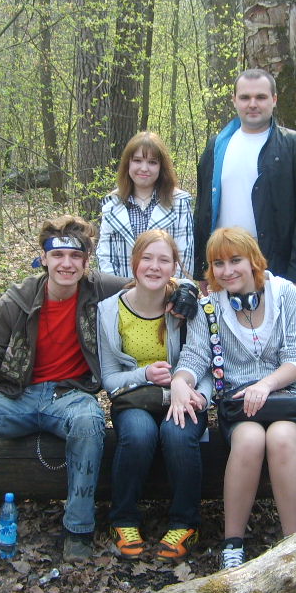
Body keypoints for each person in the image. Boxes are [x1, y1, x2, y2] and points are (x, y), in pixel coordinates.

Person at [0, 215, 197, 565]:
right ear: (43, 258)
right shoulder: (17, 299)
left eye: (75, 256)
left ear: (86, 261)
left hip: (70, 397)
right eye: (57, 255)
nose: (66, 264)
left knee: (90, 421)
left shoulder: (99, 288)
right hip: (17, 397)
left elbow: (151, 278)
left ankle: (78, 529)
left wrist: (187, 289)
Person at [172, 227, 296, 569]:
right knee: (249, 440)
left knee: (281, 439)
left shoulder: (286, 295)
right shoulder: (209, 308)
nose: (227, 271)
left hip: (289, 399)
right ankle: (233, 545)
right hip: (240, 407)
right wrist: (180, 381)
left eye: (235, 260)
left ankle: (294, 546)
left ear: (253, 259)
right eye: (218, 263)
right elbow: (195, 356)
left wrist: (266, 384)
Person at [97, 230, 211, 562]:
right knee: (138, 433)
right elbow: (109, 378)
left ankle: (185, 523)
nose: (154, 266)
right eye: (147, 258)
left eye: (164, 260)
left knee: (177, 433)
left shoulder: (185, 306)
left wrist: (202, 396)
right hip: (136, 398)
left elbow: (203, 358)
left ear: (174, 266)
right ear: (134, 263)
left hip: (185, 395)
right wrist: (144, 374)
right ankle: (123, 519)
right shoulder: (109, 311)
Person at [193, 69, 296, 293]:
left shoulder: (295, 147)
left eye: (261, 97)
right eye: (245, 97)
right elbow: (203, 210)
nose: (252, 104)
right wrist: (202, 271)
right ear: (234, 100)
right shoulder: (217, 146)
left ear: (274, 99)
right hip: (223, 269)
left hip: (276, 271)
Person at [97, 131, 195, 279]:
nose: (144, 168)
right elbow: (106, 259)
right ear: (128, 163)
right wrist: (124, 291)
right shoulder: (112, 204)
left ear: (161, 167)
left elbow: (184, 259)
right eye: (137, 160)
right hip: (122, 289)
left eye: (152, 162)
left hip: (167, 290)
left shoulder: (179, 203)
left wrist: (170, 290)